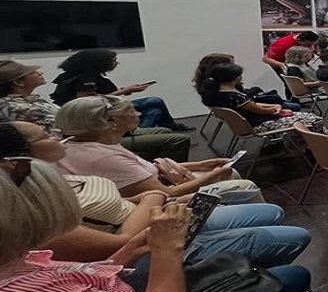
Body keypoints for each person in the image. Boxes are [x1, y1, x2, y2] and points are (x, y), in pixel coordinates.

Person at [0, 157, 328, 292]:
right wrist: (166, 247)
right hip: (157, 274)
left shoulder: (22, 259)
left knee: (296, 275)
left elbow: (86, 268)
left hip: (135, 261)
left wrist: (124, 255)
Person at [0, 121, 310, 292]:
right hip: (158, 241)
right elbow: (132, 226)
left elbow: (120, 225)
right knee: (291, 237)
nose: (55, 133)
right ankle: (249, 280)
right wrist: (157, 203)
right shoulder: (38, 216)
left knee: (270, 214)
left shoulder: (61, 168)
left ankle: (251, 270)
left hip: (155, 226)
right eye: (45, 134)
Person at [55, 95, 263, 199]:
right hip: (166, 201)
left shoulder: (88, 145)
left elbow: (143, 169)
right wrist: (213, 174)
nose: (138, 115)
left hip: (159, 184)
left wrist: (201, 164)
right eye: (131, 111)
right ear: (110, 121)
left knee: (230, 171)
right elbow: (165, 195)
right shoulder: (104, 157)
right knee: (243, 185)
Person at [0, 60, 191, 162]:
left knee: (161, 125)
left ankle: (146, 168)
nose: (40, 73)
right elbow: (71, 127)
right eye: (33, 72)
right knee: (175, 137)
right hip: (84, 144)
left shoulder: (27, 101)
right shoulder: (22, 108)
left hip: (88, 136)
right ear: (18, 82)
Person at [49, 49, 194, 132]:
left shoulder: (77, 75)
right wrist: (124, 91)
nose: (116, 63)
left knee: (155, 111)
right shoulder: (85, 79)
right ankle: (158, 130)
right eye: (113, 61)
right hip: (95, 114)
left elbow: (100, 95)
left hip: (104, 108)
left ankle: (143, 132)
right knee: (155, 101)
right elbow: (89, 101)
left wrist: (125, 90)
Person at [198, 63, 326, 134]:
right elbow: (259, 110)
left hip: (248, 123)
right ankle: (321, 148)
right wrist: (275, 108)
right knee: (315, 119)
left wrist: (275, 107)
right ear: (235, 77)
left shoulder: (216, 93)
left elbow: (253, 105)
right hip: (257, 124)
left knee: (303, 115)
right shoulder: (234, 96)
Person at [263, 31, 321, 96]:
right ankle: (294, 101)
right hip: (281, 62)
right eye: (308, 45)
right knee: (291, 84)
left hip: (298, 62)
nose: (310, 47)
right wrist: (283, 65)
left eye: (313, 44)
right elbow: (265, 59)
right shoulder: (282, 45)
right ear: (299, 40)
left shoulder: (304, 36)